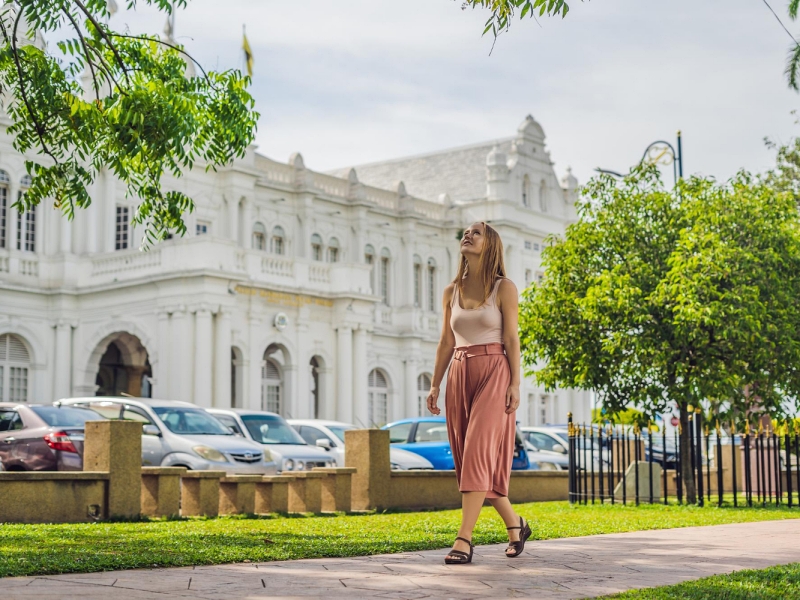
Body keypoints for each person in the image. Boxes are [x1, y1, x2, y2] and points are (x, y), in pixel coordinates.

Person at [427, 221, 531, 565]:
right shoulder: (450, 291)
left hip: (494, 371)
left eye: (477, 233)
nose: (467, 235)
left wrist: (515, 383)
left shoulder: (504, 288)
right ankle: (516, 525)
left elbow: (512, 338)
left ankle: (463, 540)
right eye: (466, 232)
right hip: (459, 372)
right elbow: (446, 342)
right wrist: (435, 383)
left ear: (490, 245)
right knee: (468, 460)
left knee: (476, 454)